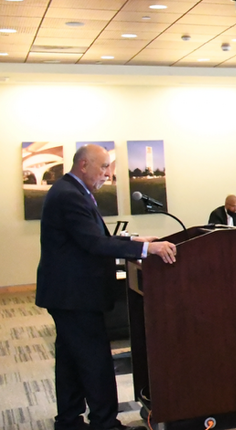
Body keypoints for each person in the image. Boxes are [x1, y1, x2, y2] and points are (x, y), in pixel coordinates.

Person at [37, 144, 177, 430]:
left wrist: (134, 242)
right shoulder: (69, 195)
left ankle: (69, 419)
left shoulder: (70, 190)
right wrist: (148, 249)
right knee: (93, 360)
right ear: (84, 165)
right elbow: (94, 243)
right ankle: (105, 423)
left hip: (66, 294)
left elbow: (90, 236)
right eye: (103, 168)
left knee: (71, 359)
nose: (107, 175)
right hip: (74, 295)